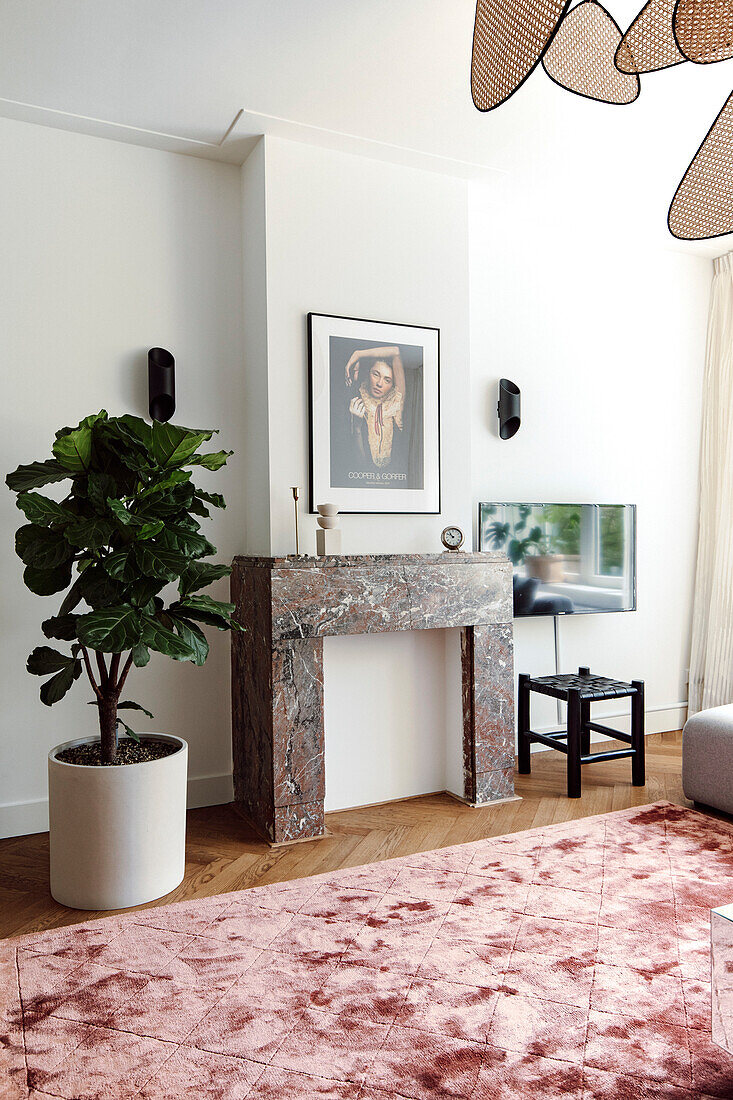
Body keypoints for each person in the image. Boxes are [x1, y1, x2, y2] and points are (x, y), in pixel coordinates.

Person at [344, 345, 406, 469]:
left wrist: (358, 353)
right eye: (376, 374)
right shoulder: (357, 401)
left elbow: (396, 352)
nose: (379, 383)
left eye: (387, 380)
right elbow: (359, 465)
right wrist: (356, 427)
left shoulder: (396, 403)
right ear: (368, 373)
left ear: (393, 384)